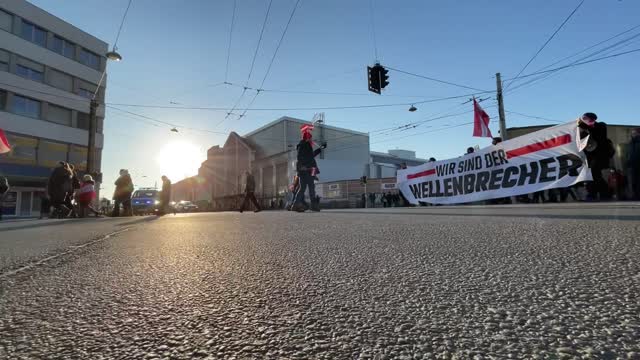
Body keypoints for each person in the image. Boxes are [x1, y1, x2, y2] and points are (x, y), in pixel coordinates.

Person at [579, 113, 614, 201]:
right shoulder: (583, 128)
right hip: (590, 156)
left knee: (594, 172)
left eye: (585, 118)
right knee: (592, 174)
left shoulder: (600, 126)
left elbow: (599, 137)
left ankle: (603, 192)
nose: (583, 119)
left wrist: (587, 127)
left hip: (601, 155)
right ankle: (594, 193)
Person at [292, 126, 326, 212]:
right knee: (306, 187)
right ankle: (298, 205)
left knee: (309, 187)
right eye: (310, 138)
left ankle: (303, 205)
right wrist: (302, 167)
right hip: (306, 169)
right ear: (307, 138)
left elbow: (311, 156)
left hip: (309, 168)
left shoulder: (305, 145)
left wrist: (320, 149)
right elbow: (300, 157)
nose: (312, 139)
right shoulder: (303, 145)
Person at [627, 128, 640, 200]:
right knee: (634, 181)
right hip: (632, 164)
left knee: (637, 180)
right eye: (632, 133)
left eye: (634, 133)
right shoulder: (631, 143)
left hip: (637, 163)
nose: (633, 134)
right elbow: (629, 154)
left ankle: (637, 195)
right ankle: (636, 195)